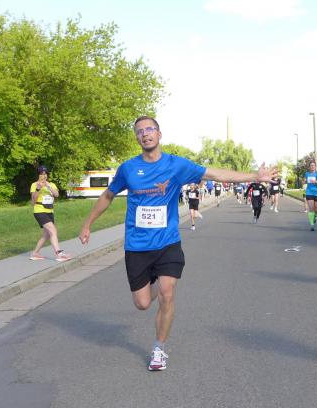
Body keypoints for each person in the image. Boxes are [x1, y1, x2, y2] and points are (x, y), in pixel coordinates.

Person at [79, 116, 277, 371]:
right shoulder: (128, 169)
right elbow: (108, 195)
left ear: (159, 134)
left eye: (150, 129)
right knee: (142, 303)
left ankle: (159, 348)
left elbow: (215, 173)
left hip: (167, 242)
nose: (145, 134)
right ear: (137, 138)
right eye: (140, 131)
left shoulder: (176, 165)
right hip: (137, 245)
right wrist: (87, 224)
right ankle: (154, 282)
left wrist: (254, 176)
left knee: (167, 292)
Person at [29, 165, 71, 262]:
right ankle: (59, 254)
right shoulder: (34, 185)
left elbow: (56, 195)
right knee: (53, 230)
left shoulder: (51, 184)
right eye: (41, 174)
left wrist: (48, 186)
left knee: (47, 235)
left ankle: (35, 253)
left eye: (45, 174)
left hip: (50, 211)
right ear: (38, 175)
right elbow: (33, 201)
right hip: (39, 210)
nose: (44, 176)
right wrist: (38, 189)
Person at [303, 160, 317, 230]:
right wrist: (304, 181)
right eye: (311, 165)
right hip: (309, 192)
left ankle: (315, 216)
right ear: (309, 167)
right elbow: (304, 181)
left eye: (313, 165)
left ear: (315, 166)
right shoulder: (307, 174)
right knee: (311, 208)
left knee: (316, 209)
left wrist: (316, 182)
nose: (312, 167)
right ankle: (312, 224)